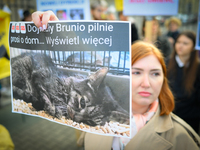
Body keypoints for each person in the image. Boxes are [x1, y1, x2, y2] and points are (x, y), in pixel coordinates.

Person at [31, 11, 200, 150]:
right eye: (137, 72)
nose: (146, 83)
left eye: (155, 73)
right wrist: (56, 30)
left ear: (164, 79)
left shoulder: (182, 138)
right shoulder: (94, 121)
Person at [167, 31, 200, 134]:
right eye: (178, 42)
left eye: (185, 43)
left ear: (193, 46)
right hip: (168, 116)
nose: (180, 46)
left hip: (190, 120)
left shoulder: (197, 68)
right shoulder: (167, 63)